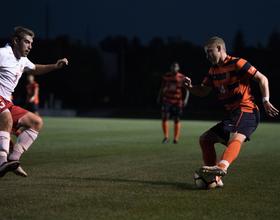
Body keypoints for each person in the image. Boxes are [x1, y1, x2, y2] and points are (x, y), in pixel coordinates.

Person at [181, 37, 278, 187]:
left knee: (235, 136)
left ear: (219, 48)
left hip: (247, 110)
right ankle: (215, 177)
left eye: (209, 52)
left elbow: (262, 78)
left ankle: (221, 167)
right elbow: (202, 91)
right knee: (205, 138)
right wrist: (189, 87)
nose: (207, 56)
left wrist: (266, 100)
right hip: (233, 114)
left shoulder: (237, 63)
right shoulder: (213, 70)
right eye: (206, 53)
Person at [0, 26, 68, 178]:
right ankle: (1, 161)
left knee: (36, 122)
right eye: (27, 42)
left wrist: (55, 67)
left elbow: (35, 68)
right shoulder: (3, 54)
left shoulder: (22, 60)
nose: (30, 47)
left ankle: (13, 159)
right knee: (6, 118)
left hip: (6, 102)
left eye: (31, 43)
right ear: (16, 41)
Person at [157, 61, 189, 144]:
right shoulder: (166, 76)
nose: (174, 68)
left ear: (178, 68)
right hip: (167, 100)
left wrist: (185, 99)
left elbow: (186, 89)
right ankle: (166, 137)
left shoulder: (182, 77)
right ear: (171, 68)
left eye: (176, 67)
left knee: (176, 119)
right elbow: (163, 87)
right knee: (164, 117)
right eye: (173, 66)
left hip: (177, 101)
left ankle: (175, 139)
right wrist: (159, 96)